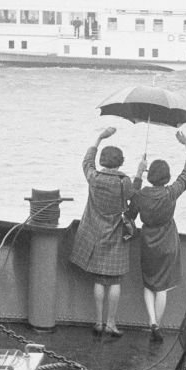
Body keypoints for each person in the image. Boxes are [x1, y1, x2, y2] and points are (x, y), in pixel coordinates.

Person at [69, 127, 140, 337]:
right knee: (114, 281)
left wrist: (99, 137)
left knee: (99, 280)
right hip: (116, 235)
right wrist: (139, 172)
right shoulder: (123, 181)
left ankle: (98, 323)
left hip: (94, 235)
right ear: (120, 162)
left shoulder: (94, 177)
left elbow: (86, 162)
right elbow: (133, 195)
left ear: (103, 161)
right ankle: (111, 324)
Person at [128, 130, 186, 343]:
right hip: (168, 241)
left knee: (149, 284)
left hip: (148, 241)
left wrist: (138, 174)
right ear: (166, 177)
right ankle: (159, 324)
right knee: (162, 288)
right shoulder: (171, 192)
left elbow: (129, 212)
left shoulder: (141, 194)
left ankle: (151, 323)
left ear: (150, 175)